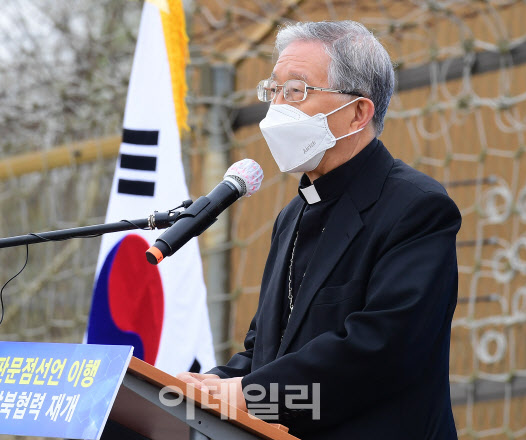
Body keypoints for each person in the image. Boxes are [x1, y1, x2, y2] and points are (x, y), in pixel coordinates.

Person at [178, 20, 461, 439]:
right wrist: (203, 388)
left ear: (357, 113)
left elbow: (380, 353)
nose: (277, 108)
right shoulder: (293, 215)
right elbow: (265, 353)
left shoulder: (416, 208)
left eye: (296, 90)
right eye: (273, 91)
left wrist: (250, 396)